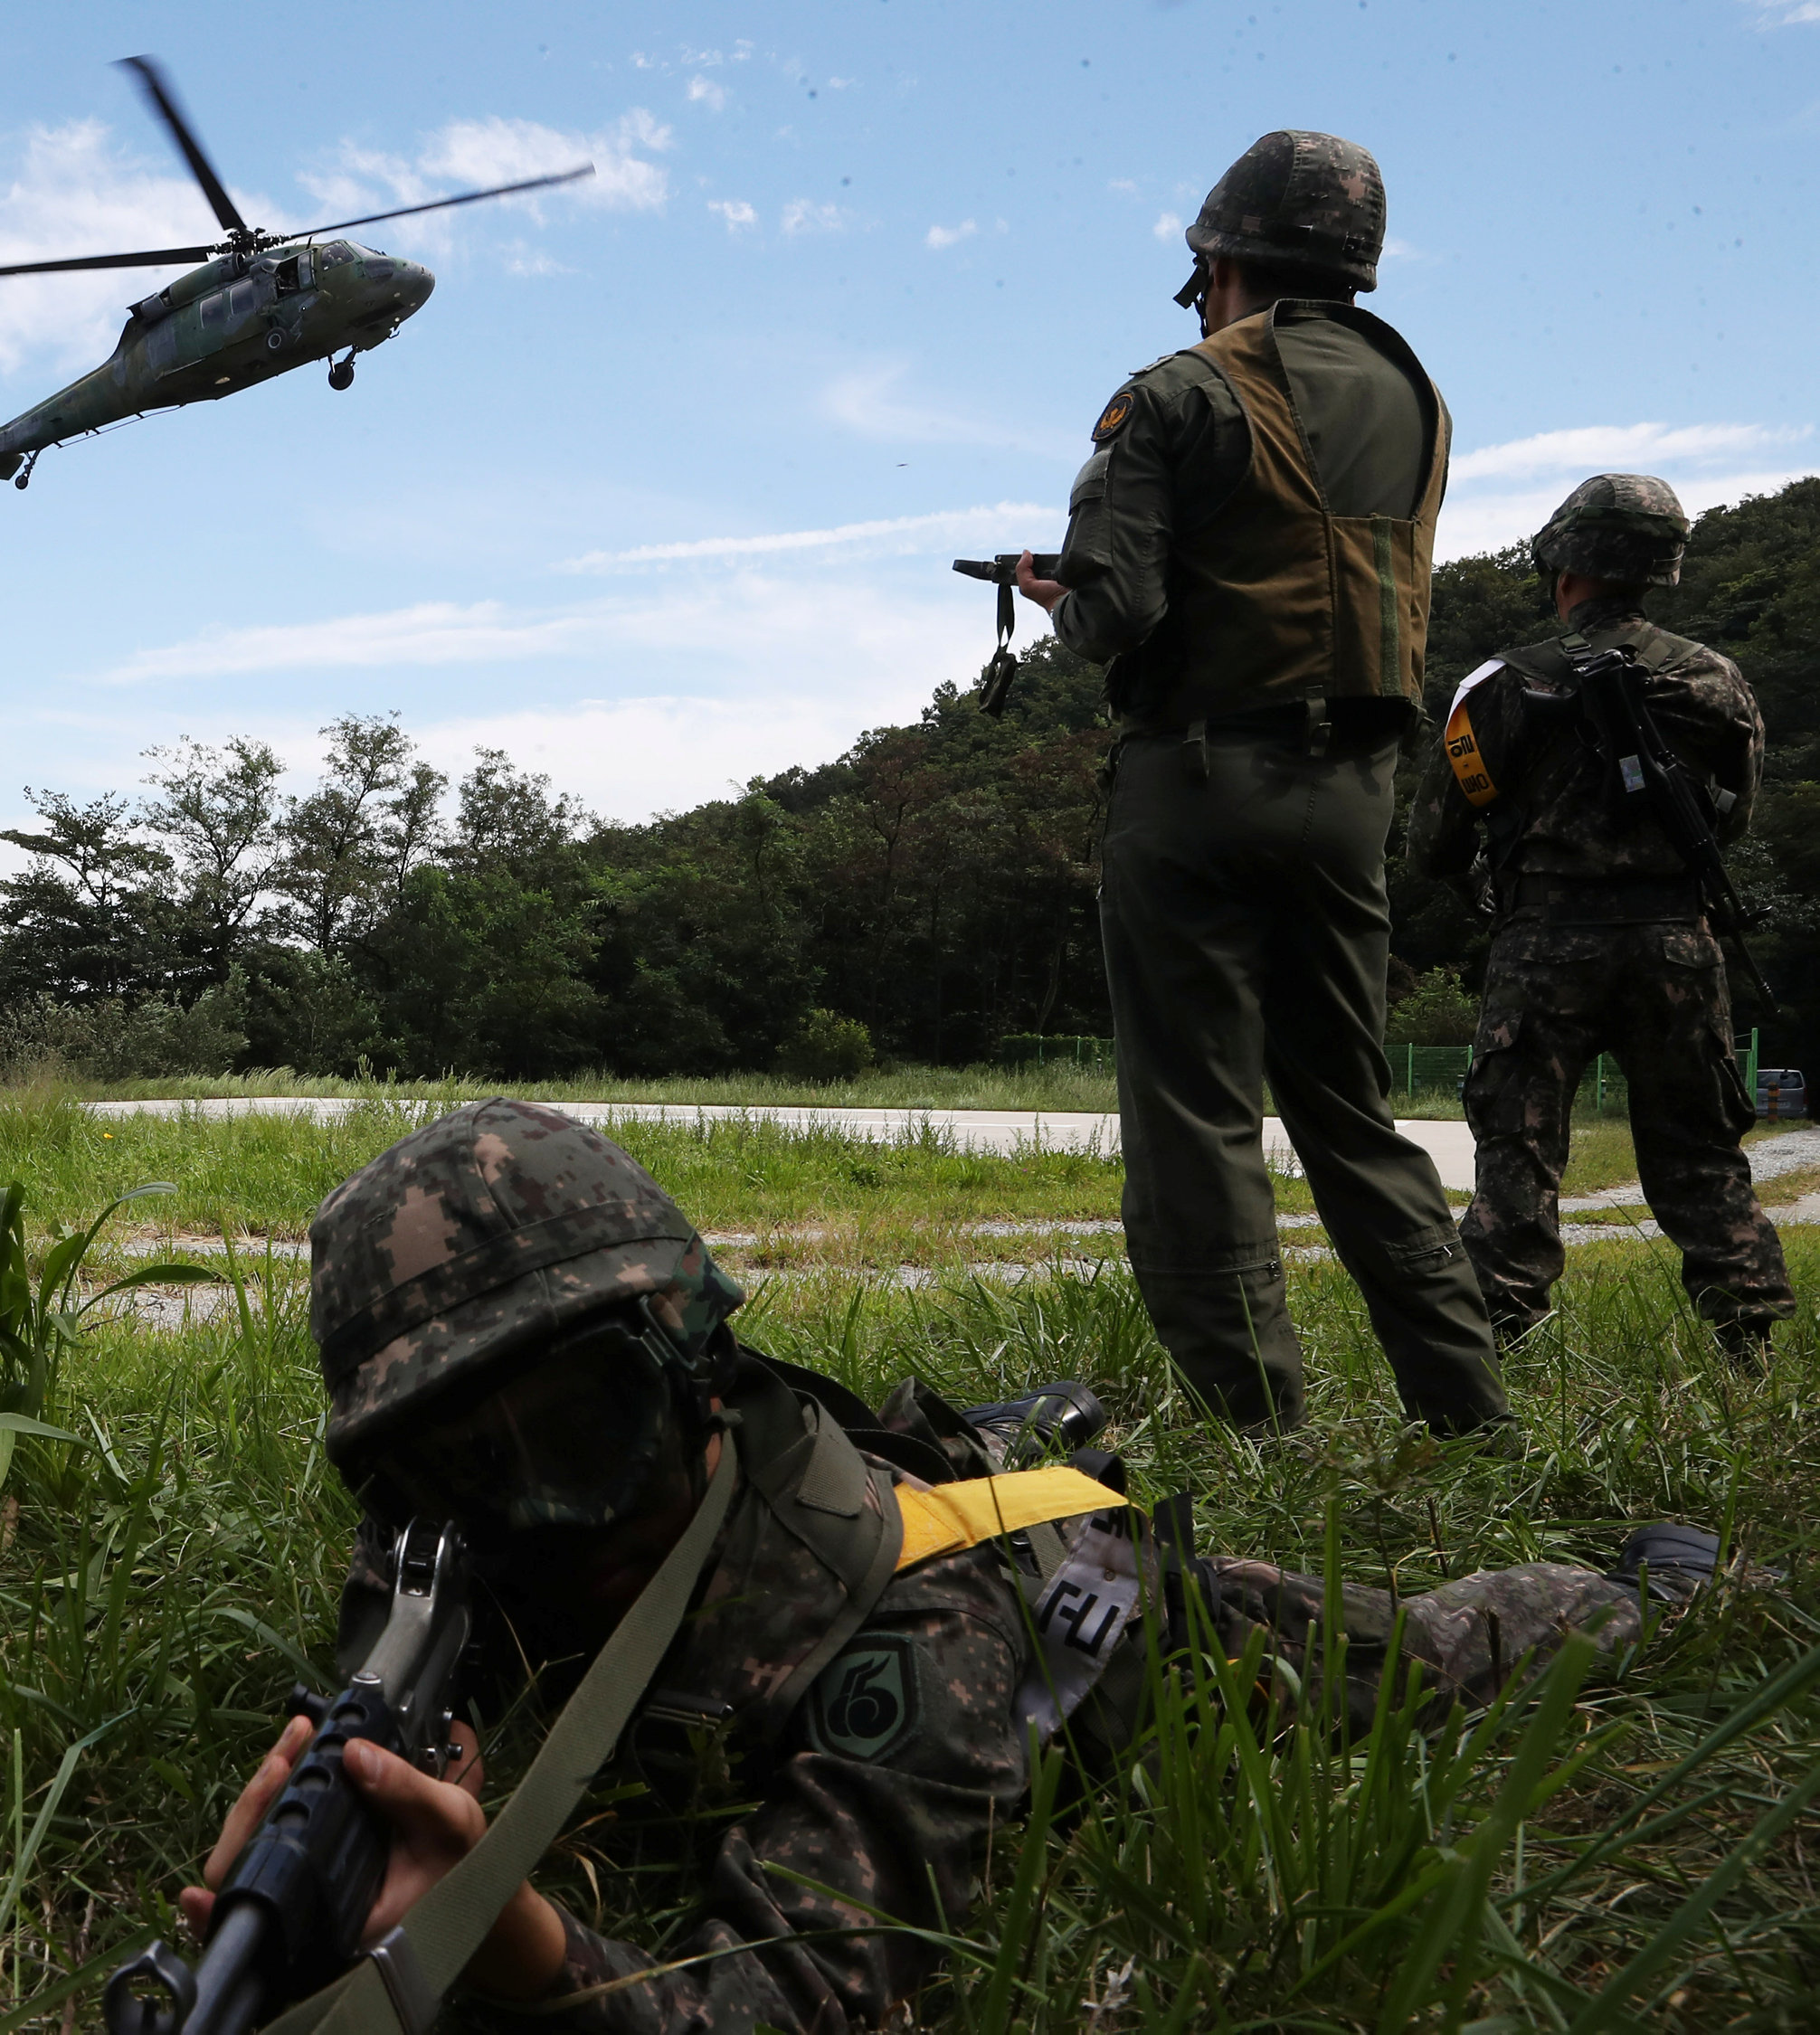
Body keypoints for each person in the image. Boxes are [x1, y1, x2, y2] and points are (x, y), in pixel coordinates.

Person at [182, 1101, 1711, 2030]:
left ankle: (1649, 1585)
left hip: (1091, 1615)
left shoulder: (922, 1656)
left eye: (578, 1430)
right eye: (448, 1467)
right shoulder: (487, 1553)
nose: (524, 1508)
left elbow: (794, 2003)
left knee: (1424, 1657)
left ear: (695, 1369)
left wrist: (512, 1950)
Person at [1009, 130, 1503, 1437]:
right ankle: (1470, 1408)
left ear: (1217, 261)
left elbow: (1118, 613)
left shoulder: (1172, 394)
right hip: (1356, 795)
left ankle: (1259, 1430)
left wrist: (1058, 596)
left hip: (1200, 779)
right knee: (1354, 1113)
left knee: (1198, 1118)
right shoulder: (1420, 397)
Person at [1408, 474, 1793, 1366]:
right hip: (1674, 944)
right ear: (1662, 567)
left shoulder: (1501, 686)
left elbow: (1430, 840)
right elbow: (1730, 818)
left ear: (1561, 566)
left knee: (1517, 1157)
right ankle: (1748, 1347)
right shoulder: (1715, 683)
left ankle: (1493, 1350)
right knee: (1698, 1154)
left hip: (1541, 947)